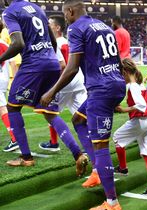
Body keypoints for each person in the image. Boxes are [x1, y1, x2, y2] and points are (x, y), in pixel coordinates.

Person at [40, 0, 126, 210]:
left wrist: (51, 91)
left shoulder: (76, 28)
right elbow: (117, 60)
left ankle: (112, 203)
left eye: (65, 14)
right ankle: (97, 171)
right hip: (115, 84)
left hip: (100, 89)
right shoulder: (104, 26)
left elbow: (72, 67)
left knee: (101, 145)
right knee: (78, 119)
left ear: (70, 11)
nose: (66, 18)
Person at [1, 0, 88, 170]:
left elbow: (18, 44)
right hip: (51, 63)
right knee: (49, 112)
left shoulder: (10, 12)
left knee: (12, 108)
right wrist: (49, 57)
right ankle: (78, 154)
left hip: (32, 65)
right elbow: (52, 40)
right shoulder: (36, 8)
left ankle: (26, 157)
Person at [38, 15, 88, 152]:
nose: (47, 26)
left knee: (49, 111)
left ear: (57, 27)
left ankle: (54, 143)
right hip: (78, 80)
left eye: (50, 24)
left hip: (65, 82)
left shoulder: (56, 43)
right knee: (82, 116)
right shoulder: (67, 41)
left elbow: (62, 65)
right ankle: (90, 143)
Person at [113, 58, 147, 196]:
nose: (122, 77)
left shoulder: (133, 86)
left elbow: (141, 105)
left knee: (117, 138)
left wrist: (124, 110)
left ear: (126, 72)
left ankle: (123, 168)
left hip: (141, 121)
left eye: (122, 74)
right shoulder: (141, 84)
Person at [0, 36, 17, 152]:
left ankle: (15, 138)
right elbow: (13, 62)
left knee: (2, 108)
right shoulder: (4, 44)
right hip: (4, 79)